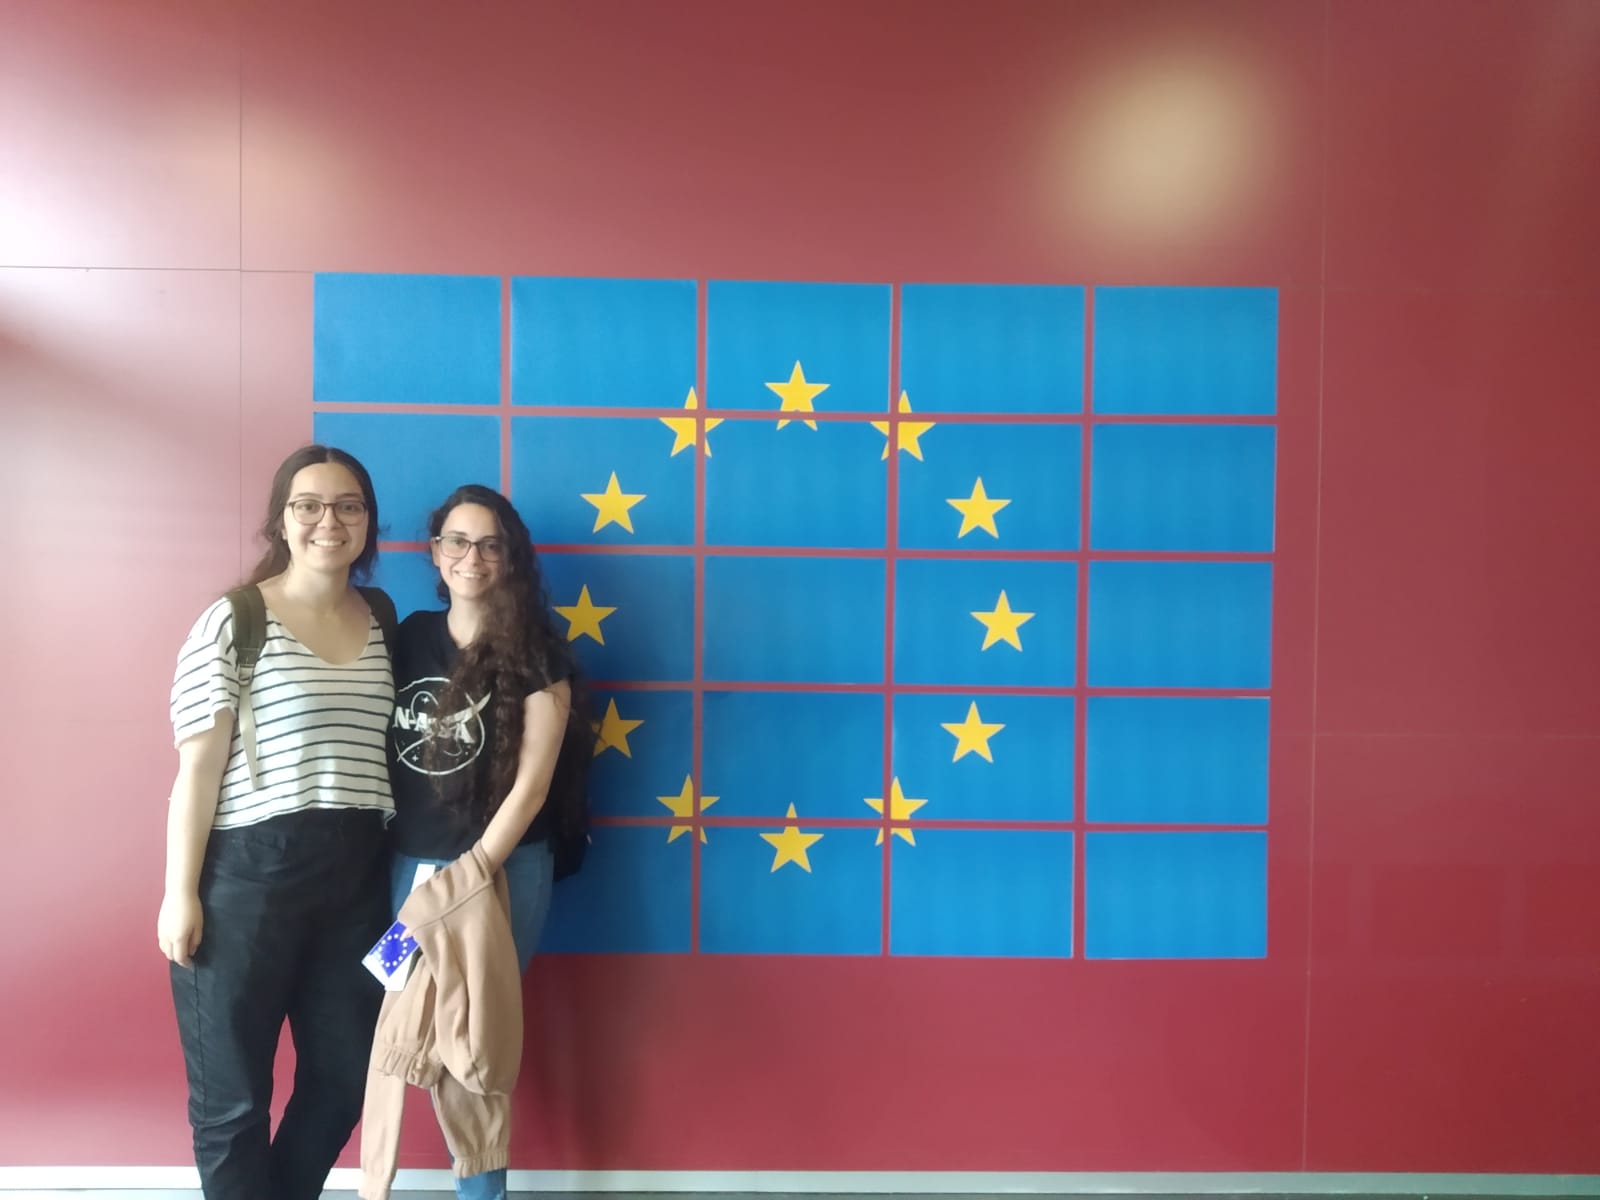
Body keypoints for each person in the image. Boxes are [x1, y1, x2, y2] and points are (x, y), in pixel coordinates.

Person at [159, 444, 396, 1200]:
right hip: (246, 880)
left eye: (349, 506)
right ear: (281, 520)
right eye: (309, 505)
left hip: (363, 883)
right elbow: (196, 774)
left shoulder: (384, 618)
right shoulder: (235, 619)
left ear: (369, 522)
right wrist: (179, 894)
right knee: (232, 1100)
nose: (330, 521)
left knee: (348, 1076)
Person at [385, 483, 585, 1200]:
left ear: (510, 558)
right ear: (436, 553)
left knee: (476, 1032)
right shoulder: (406, 636)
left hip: (504, 872)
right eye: (458, 542)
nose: (472, 557)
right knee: (399, 1009)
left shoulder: (538, 652)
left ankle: (482, 1192)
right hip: (409, 870)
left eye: (490, 545)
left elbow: (532, 787)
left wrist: (471, 872)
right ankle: (377, 1175)